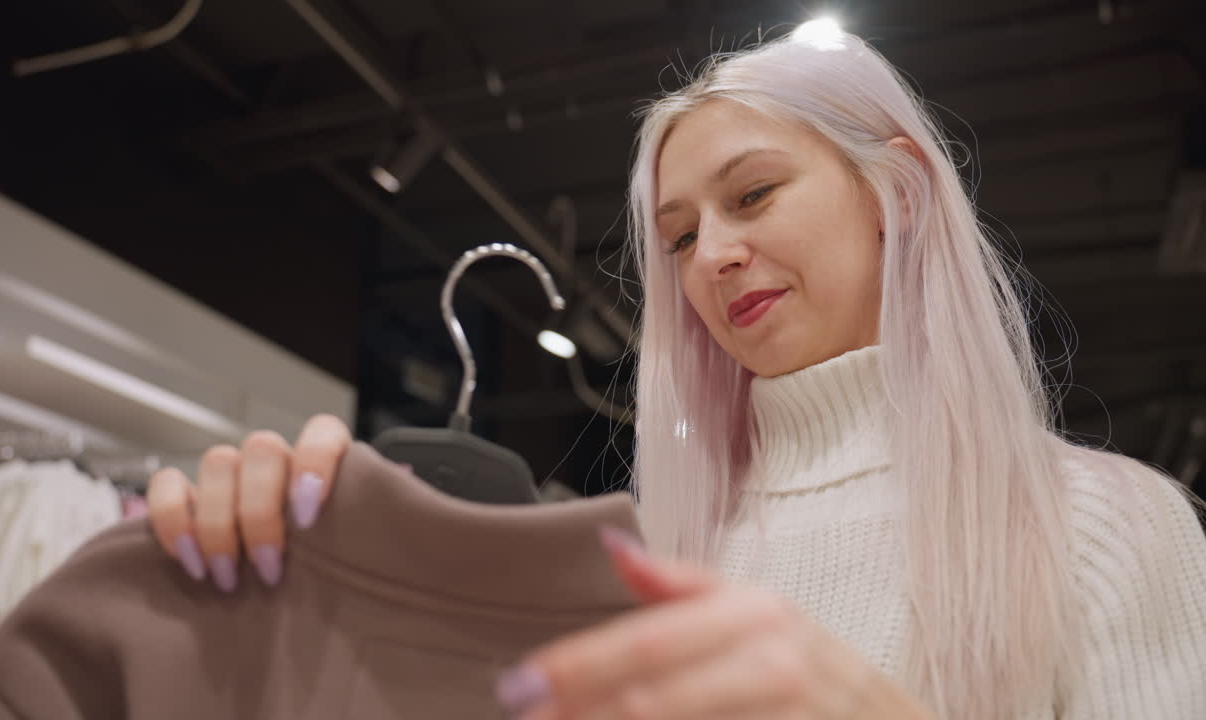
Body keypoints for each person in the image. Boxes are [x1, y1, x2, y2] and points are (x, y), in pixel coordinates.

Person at [145, 26, 1206, 720]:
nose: (712, 257)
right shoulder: (642, 564)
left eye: (751, 196)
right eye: (678, 235)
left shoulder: (1102, 530)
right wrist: (264, 579)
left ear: (897, 195)